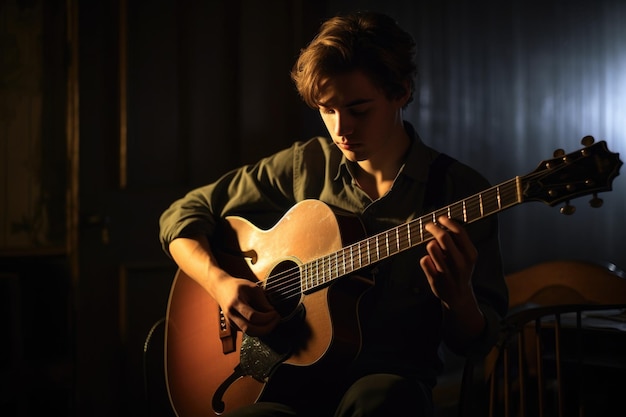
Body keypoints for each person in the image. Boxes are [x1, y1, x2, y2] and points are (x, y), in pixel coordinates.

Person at [159, 10, 508, 417]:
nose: (342, 129)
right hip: (285, 379)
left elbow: (476, 343)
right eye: (327, 109)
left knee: (383, 401)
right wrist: (220, 284)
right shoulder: (305, 164)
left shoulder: (458, 191)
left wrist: (460, 300)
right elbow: (181, 215)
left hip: (387, 385)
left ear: (402, 92)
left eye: (359, 110)